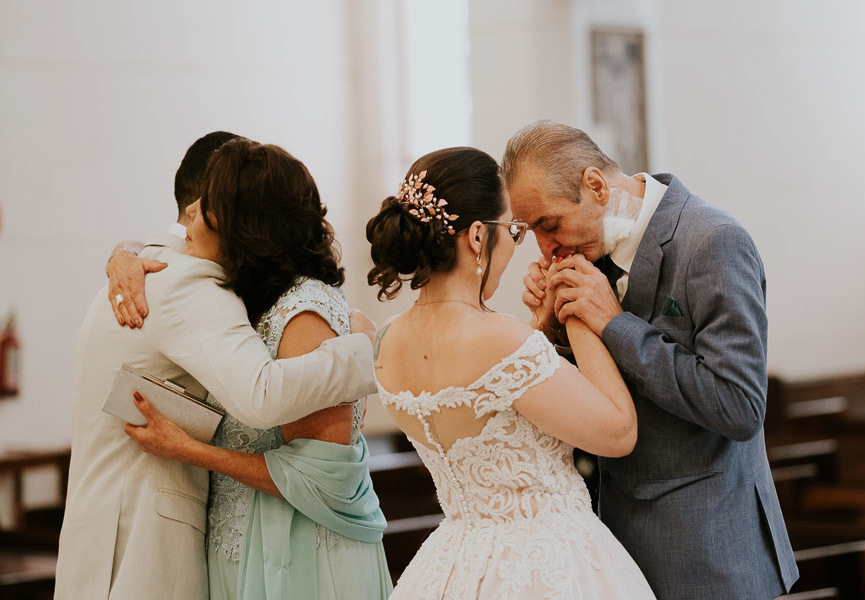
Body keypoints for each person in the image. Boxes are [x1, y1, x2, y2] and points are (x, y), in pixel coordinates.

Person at [56, 134, 378, 600]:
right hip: (143, 548)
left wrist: (120, 250)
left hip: (103, 539)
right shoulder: (188, 283)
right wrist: (367, 347)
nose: (193, 215)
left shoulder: (146, 265)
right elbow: (263, 397)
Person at [509, 120, 798, 599]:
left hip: (708, 555)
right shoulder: (592, 249)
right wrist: (557, 329)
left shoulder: (713, 241)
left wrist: (615, 324)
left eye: (550, 224)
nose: (546, 248)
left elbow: (740, 406)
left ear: (595, 186)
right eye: (530, 232)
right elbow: (599, 398)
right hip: (616, 551)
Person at [366, 146, 656, 599]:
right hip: (546, 564)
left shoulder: (386, 341)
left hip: (454, 565)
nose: (518, 247)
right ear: (479, 237)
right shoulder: (501, 339)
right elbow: (618, 432)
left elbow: (487, 389)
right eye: (515, 231)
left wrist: (540, 329)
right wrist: (577, 309)